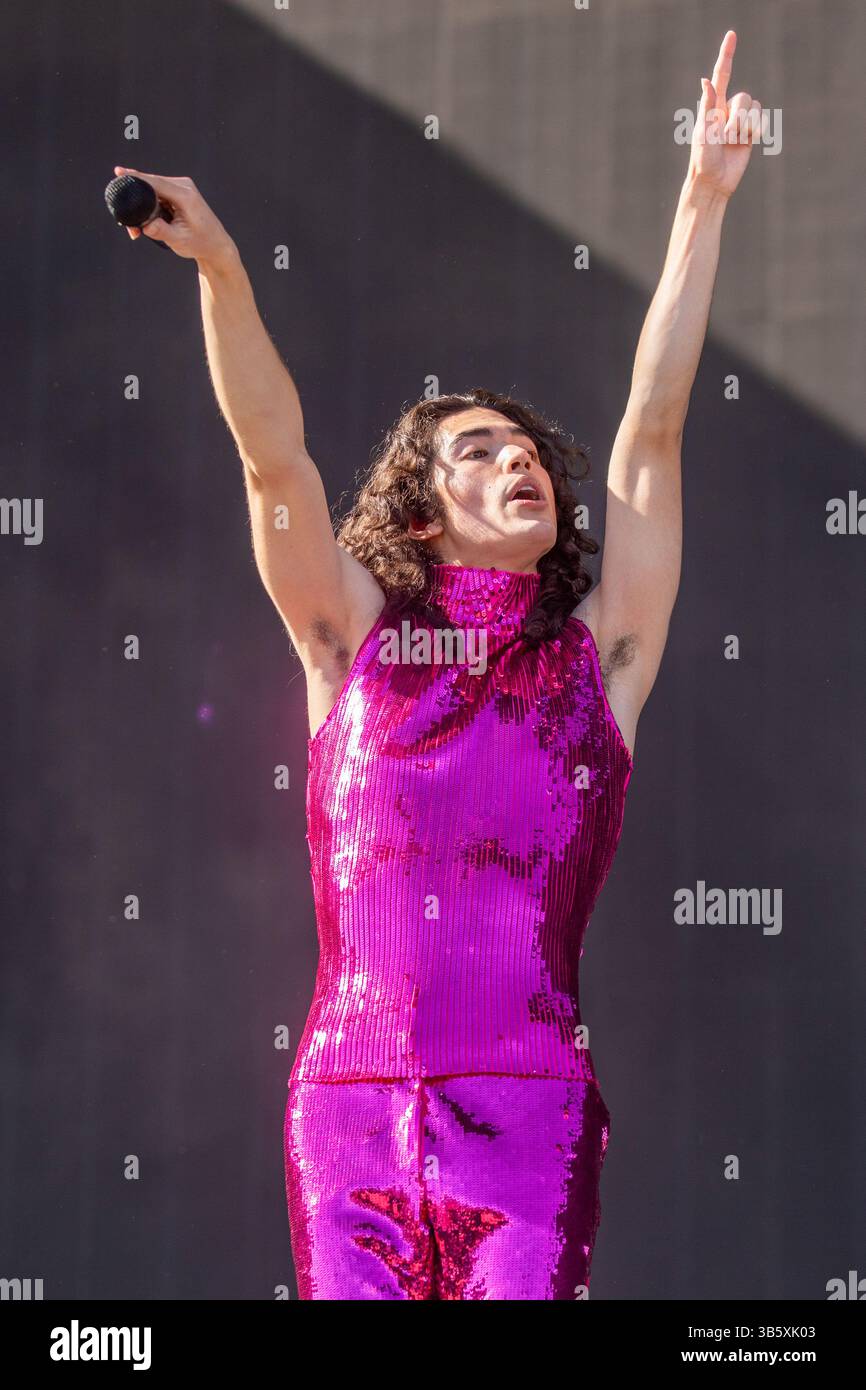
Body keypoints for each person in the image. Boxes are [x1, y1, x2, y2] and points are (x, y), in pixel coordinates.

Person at [116, 29, 761, 1299]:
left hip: (530, 1116)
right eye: (476, 452)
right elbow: (271, 459)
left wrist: (700, 199)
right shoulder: (349, 639)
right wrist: (223, 270)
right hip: (343, 1113)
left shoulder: (600, 657)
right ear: (415, 511)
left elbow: (652, 427)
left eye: (526, 452)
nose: (517, 461)